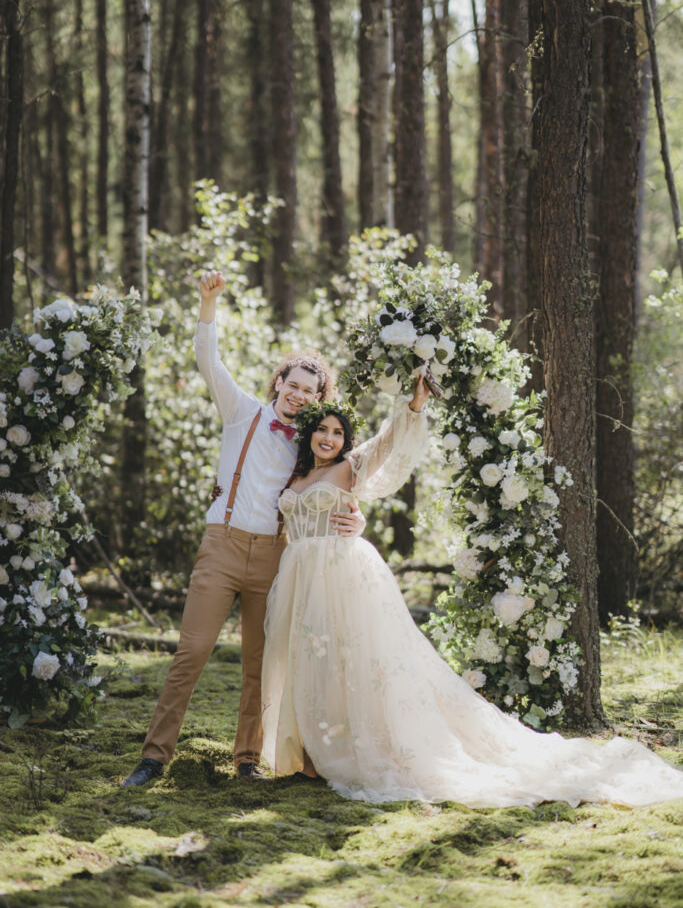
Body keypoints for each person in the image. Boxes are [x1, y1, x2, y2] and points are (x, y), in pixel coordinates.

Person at [261, 390, 683, 807]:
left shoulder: (349, 469)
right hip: (299, 579)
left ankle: (347, 750)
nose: (329, 438)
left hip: (339, 575)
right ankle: (312, 750)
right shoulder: (294, 476)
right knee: (310, 659)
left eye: (337, 432)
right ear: (310, 434)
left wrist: (414, 404)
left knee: (350, 660)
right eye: (322, 430)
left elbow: (389, 441)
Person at [122, 270, 364, 787]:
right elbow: (209, 361)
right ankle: (153, 758)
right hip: (223, 546)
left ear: (318, 398)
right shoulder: (242, 412)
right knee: (192, 651)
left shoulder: (311, 445)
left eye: (309, 391)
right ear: (279, 383)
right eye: (292, 385)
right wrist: (207, 304)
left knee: (259, 662)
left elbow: (339, 485)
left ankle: (248, 760)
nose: (297, 396)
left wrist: (356, 516)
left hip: (275, 556)